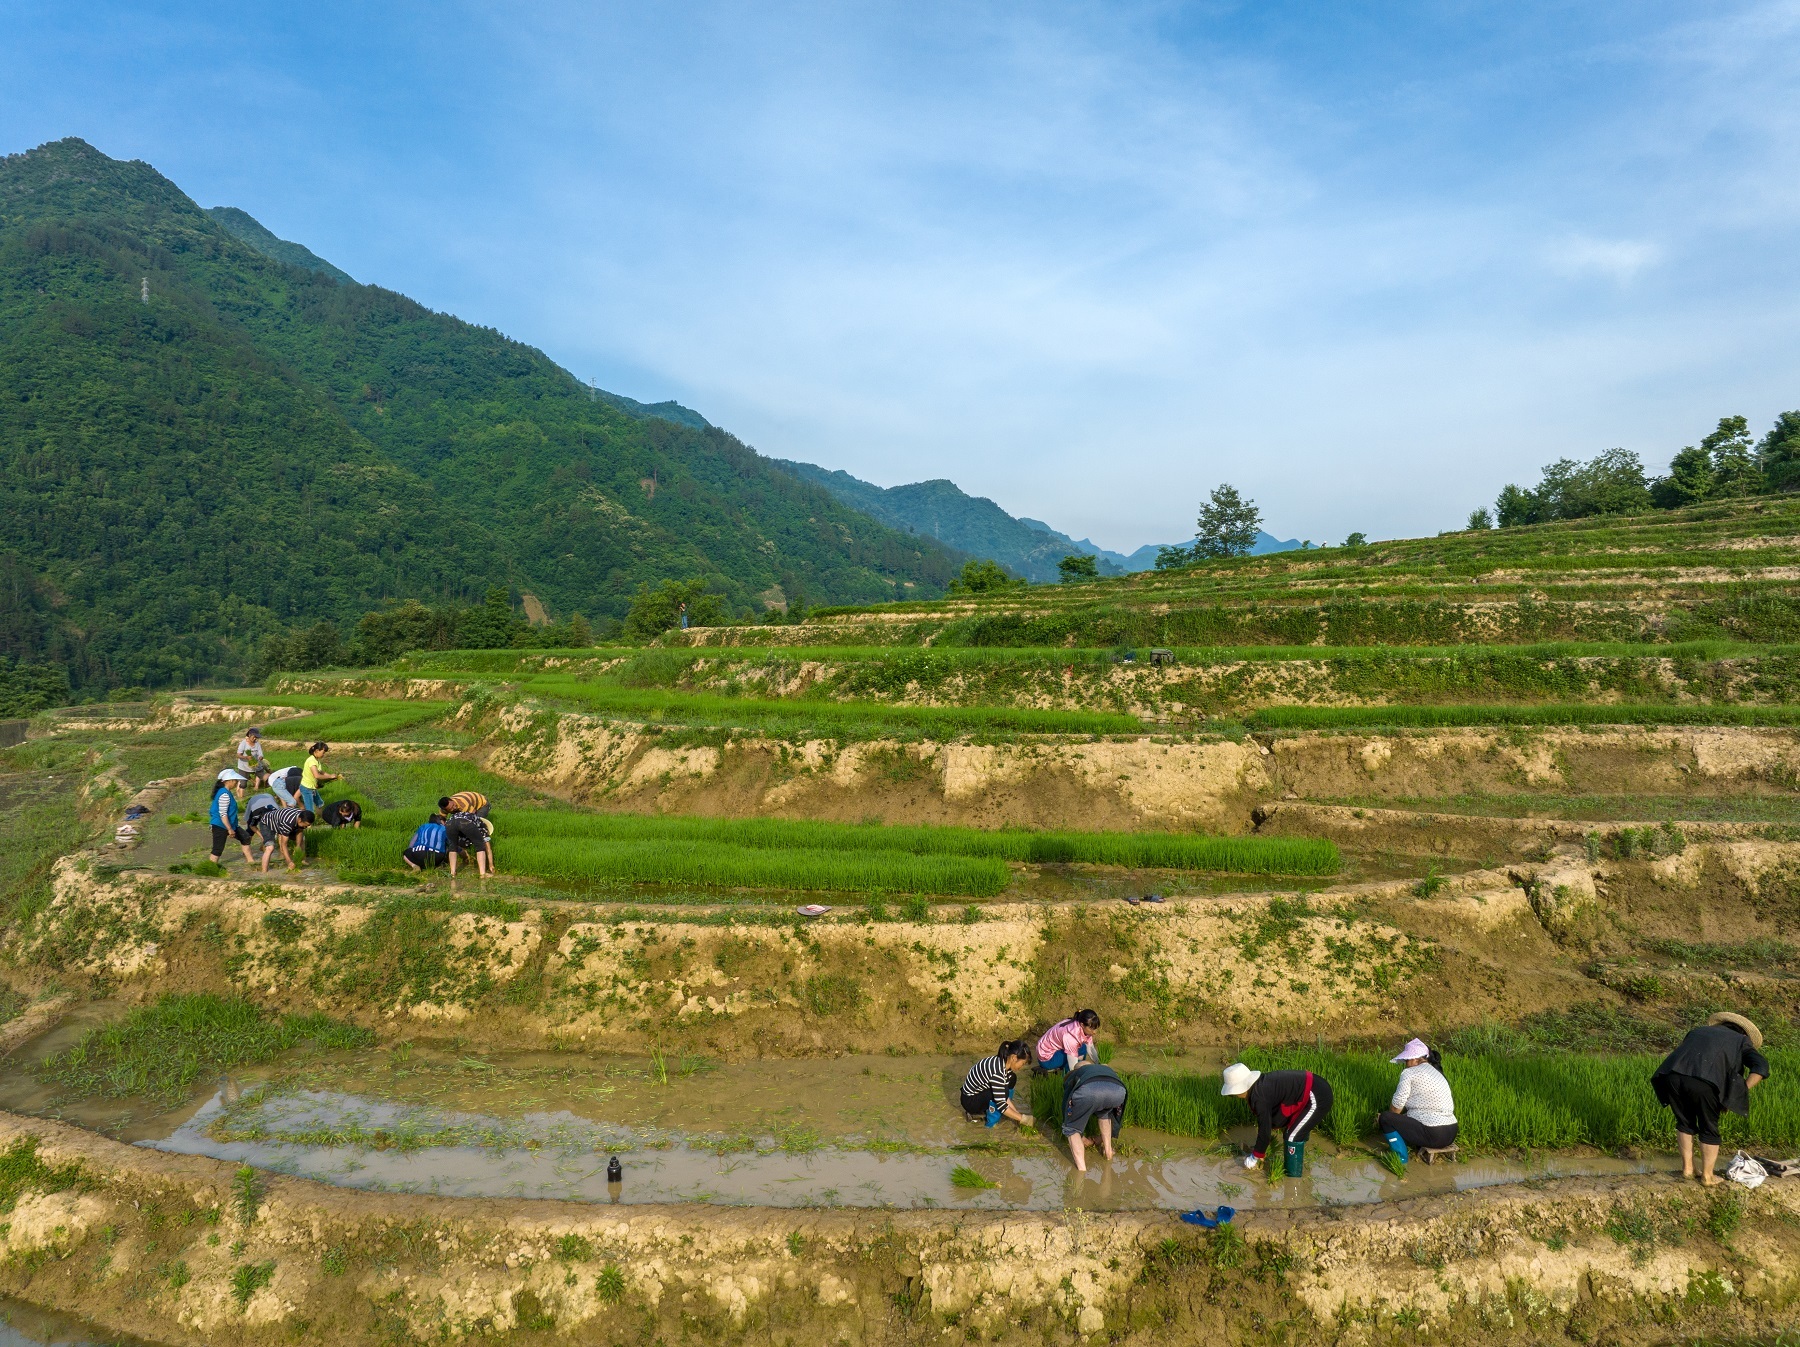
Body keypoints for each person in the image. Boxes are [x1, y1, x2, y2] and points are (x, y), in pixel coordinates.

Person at [1652, 1012, 1771, 1187]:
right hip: (1704, 1083)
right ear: (1744, 1033)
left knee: (1685, 1122)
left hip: (1671, 1076)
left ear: (1721, 1024)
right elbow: (1761, 1066)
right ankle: (1707, 1177)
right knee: (1709, 1127)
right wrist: (1740, 1091)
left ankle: (1688, 1170)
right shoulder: (1741, 1040)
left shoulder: (1697, 1031)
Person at [1223, 1062, 1334, 1178]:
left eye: (1232, 1093)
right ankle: (1299, 1155)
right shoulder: (1259, 1086)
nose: (1234, 1096)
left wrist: (1255, 1156)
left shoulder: (1259, 1097)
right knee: (1295, 1129)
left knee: (1292, 1136)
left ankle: (1293, 1180)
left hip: (1317, 1095)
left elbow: (1264, 1129)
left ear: (1239, 1089)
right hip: (1315, 1087)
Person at [1377, 1038, 1457, 1162]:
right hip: (1451, 1132)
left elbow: (1397, 1105)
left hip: (1434, 1134)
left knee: (1386, 1118)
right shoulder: (1436, 1072)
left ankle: (1400, 1158)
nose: (1405, 1063)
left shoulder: (1409, 1073)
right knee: (1405, 1116)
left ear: (1414, 1059)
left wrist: (1391, 1120)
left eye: (1407, 1060)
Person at [1062, 1060, 1128, 1172]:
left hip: (1088, 1089)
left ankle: (1081, 1171)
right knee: (1105, 1113)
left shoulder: (1077, 1073)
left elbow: (1066, 1104)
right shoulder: (1103, 1068)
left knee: (1071, 1129)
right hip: (1119, 1091)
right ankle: (1108, 1152)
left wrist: (1077, 1132)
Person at [961, 1040, 1036, 1128]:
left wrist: (1017, 1115)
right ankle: (991, 1123)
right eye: (1022, 1063)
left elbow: (1004, 1097)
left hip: (980, 1093)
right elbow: (1001, 1103)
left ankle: (1006, 1112)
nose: (1021, 1067)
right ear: (1014, 1058)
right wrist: (1023, 1119)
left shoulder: (1004, 1062)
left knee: (1012, 1078)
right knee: (1003, 1094)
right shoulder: (997, 1071)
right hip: (970, 1101)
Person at [207, 770, 256, 866]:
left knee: (245, 837)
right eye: (235, 781)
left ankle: (251, 862)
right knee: (217, 849)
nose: (237, 783)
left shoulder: (225, 792)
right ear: (228, 781)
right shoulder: (224, 794)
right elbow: (223, 814)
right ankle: (211, 867)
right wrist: (229, 829)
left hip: (230, 824)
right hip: (221, 825)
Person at [1037, 1010, 1101, 1072]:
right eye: (1091, 1029)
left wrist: (1099, 1064)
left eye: (1095, 1028)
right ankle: (1065, 1075)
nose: (1094, 1032)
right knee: (1077, 1060)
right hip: (1047, 1059)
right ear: (1082, 1025)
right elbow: (1073, 1066)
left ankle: (1070, 1066)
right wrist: (1076, 1072)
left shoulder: (1082, 1026)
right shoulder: (1071, 1036)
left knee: (1082, 1048)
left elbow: (1090, 1048)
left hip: (1056, 1050)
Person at [258, 805, 314, 873]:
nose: (307, 827)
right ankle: (264, 872)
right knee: (270, 847)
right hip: (267, 823)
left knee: (302, 839)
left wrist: (298, 846)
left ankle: (302, 860)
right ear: (299, 820)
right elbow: (283, 844)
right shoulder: (288, 823)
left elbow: (300, 830)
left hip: (279, 822)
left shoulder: (302, 816)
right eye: (306, 825)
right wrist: (289, 862)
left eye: (308, 825)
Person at [299, 742, 340, 816]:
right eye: (323, 752)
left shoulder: (316, 760)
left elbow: (321, 772)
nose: (323, 755)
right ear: (317, 750)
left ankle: (321, 818)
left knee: (320, 804)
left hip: (312, 787)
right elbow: (317, 775)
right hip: (307, 788)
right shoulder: (311, 761)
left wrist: (332, 776)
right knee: (309, 810)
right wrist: (330, 777)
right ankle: (308, 826)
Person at [445, 811, 491, 877]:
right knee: (480, 845)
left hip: (449, 823)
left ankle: (452, 873)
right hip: (464, 823)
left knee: (452, 847)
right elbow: (486, 845)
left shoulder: (464, 815)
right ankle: (482, 873)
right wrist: (491, 865)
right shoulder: (482, 825)